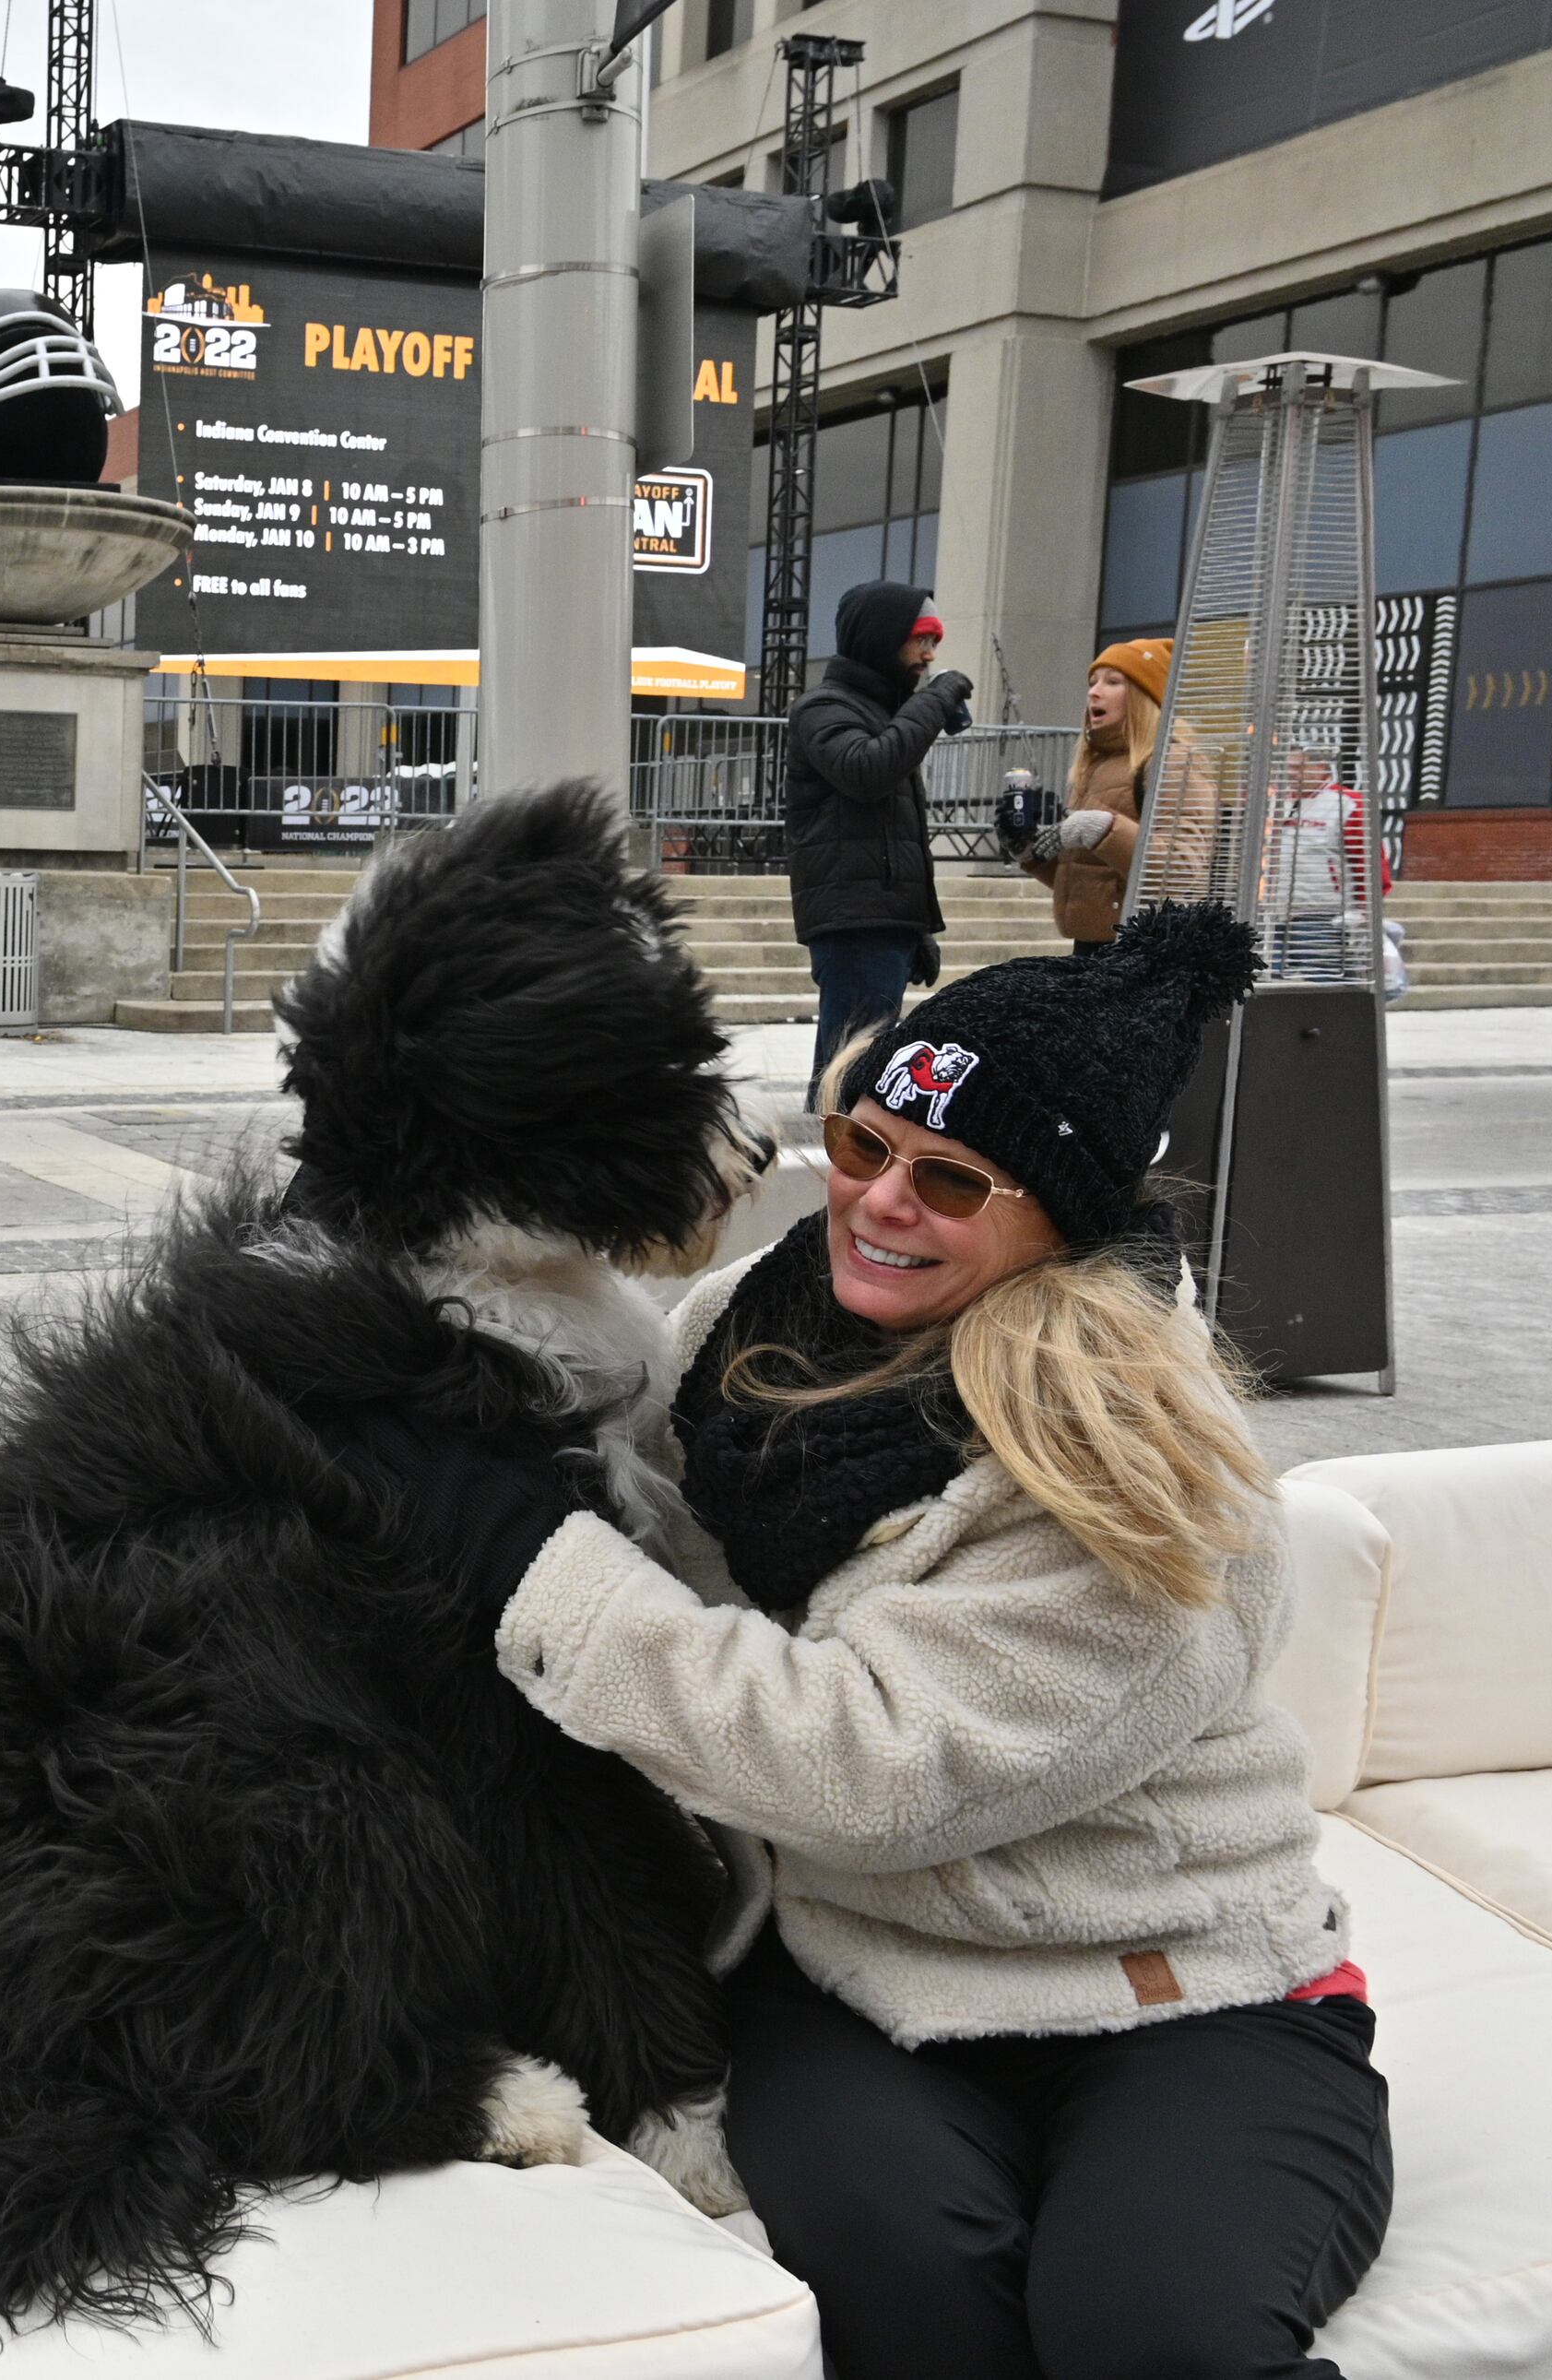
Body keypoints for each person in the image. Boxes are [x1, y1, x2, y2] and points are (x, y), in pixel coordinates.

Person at [486, 905, 1392, 2379]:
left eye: (952, 1178)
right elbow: (600, 1488)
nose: (880, 1201)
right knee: (906, 2281)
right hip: (855, 1977)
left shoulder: (1140, 1465)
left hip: (1178, 1998)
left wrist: (530, 1571)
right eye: (863, 1144)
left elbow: (869, 1767)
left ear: (1062, 1218)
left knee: (1152, 2333)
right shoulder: (743, 1328)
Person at [785, 580, 971, 1090]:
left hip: (880, 919)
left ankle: (844, 1140)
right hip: (854, 922)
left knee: (863, 1069)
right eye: (921, 639)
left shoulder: (884, 715)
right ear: (881, 637)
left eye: (935, 641)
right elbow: (867, 771)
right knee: (849, 1072)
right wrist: (936, 699)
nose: (930, 654)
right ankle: (834, 1142)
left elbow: (895, 834)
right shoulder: (823, 708)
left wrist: (915, 926)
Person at [1023, 636, 1166, 953]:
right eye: (1092, 682)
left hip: (1143, 950)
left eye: (1112, 681)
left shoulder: (1172, 761)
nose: (1093, 692)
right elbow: (1092, 878)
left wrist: (1100, 828)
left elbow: (1182, 872)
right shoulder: (1094, 766)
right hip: (1091, 948)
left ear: (1145, 696)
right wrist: (1028, 850)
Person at [1262, 745, 1375, 983]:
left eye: (1299, 767)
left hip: (1322, 914)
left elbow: (1368, 862)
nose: (1291, 773)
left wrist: (1363, 909)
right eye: (1289, 767)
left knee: (1322, 981)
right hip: (1275, 913)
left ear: (1321, 767)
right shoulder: (1277, 802)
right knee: (1267, 982)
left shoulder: (1348, 803)